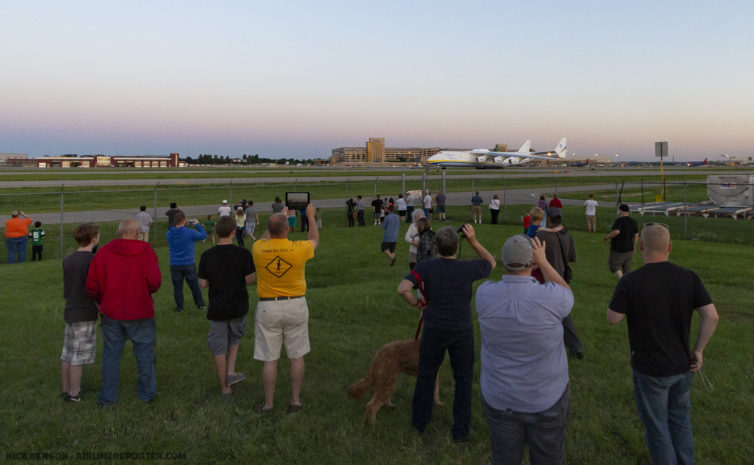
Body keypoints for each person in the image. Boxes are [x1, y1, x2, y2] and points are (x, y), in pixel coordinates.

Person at [607, 223, 719, 465]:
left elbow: (612, 318)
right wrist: (698, 351)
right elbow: (712, 315)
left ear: (641, 247)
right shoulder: (688, 277)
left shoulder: (630, 282)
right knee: (680, 421)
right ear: (669, 247)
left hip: (650, 369)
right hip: (682, 366)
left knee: (657, 427)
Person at [476, 235, 574, 465]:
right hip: (545, 398)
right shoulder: (551, 298)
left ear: (502, 262)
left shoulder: (484, 294)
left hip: (500, 398)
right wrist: (545, 262)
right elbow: (567, 295)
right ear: (533, 263)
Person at [397, 225, 495, 442]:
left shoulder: (425, 266)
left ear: (436, 246)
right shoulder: (466, 268)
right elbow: (491, 263)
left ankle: (418, 425)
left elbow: (403, 288)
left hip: (433, 328)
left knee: (426, 375)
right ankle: (461, 431)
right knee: (463, 379)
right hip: (461, 330)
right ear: (457, 245)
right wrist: (474, 241)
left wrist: (416, 304)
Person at [85, 218, 162, 406]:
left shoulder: (104, 253)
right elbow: (154, 282)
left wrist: (100, 300)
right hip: (140, 310)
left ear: (120, 231)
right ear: (137, 232)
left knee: (111, 354)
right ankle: (147, 393)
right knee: (144, 353)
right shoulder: (146, 252)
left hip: (112, 310)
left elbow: (91, 285)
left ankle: (108, 396)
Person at [251, 203, 319, 413]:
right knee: (296, 356)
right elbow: (314, 240)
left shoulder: (259, 248)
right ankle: (295, 400)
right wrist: (310, 217)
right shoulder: (299, 249)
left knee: (270, 359)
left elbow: (263, 238)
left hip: (268, 307)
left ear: (270, 232)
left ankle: (269, 404)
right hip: (295, 304)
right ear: (287, 230)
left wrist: (280, 215)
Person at [198, 216, 256, 398]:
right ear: (233, 232)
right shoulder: (243, 254)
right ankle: (230, 371)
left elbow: (202, 284)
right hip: (238, 305)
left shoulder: (207, 255)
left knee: (218, 346)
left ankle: (225, 386)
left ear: (217, 232)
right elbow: (250, 280)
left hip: (217, 308)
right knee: (235, 338)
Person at [536, 207, 584, 359]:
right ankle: (575, 347)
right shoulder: (567, 235)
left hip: (545, 278)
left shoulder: (541, 234)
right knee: (563, 313)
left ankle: (544, 345)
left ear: (548, 219)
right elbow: (572, 257)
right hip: (561, 278)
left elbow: (534, 256)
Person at [60, 222, 100, 402]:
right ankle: (74, 393)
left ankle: (65, 388)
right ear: (93, 238)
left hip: (70, 309)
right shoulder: (93, 260)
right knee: (78, 355)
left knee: (68, 352)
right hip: (85, 312)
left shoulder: (68, 259)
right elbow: (95, 290)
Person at [166, 212, 207, 313]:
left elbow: (177, 231)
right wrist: (197, 224)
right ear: (184, 221)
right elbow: (203, 235)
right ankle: (200, 305)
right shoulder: (190, 232)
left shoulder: (169, 234)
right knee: (194, 286)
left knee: (177, 287)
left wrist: (183, 225)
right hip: (188, 263)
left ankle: (180, 308)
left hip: (175, 264)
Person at [604, 204, 639, 278]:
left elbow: (616, 231)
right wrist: (634, 246)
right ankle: (628, 285)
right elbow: (636, 235)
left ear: (620, 211)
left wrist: (607, 237)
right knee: (627, 269)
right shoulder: (633, 221)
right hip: (630, 248)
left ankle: (622, 281)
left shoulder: (619, 221)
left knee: (614, 265)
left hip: (618, 249)